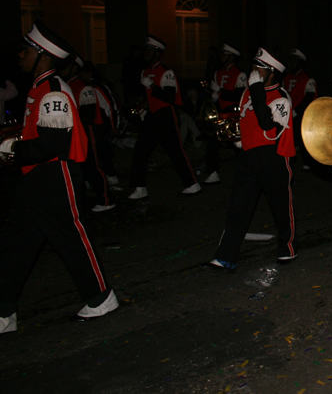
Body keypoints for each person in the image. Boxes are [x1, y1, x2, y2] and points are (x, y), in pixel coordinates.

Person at [0, 20, 118, 334]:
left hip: (56, 173)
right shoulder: (41, 86)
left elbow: (53, 142)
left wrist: (14, 148)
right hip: (37, 176)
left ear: (43, 56)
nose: (20, 56)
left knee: (70, 237)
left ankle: (101, 297)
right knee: (17, 244)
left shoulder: (53, 90)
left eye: (26, 51)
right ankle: (4, 312)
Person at [201, 48, 296, 271]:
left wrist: (255, 90)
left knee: (281, 207)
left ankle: (288, 249)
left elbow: (268, 126)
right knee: (238, 207)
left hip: (274, 157)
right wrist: (239, 138)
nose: (253, 72)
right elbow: (246, 120)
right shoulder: (248, 93)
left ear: (271, 73)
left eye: (259, 69)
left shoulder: (281, 96)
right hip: (248, 158)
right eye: (253, 68)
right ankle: (225, 256)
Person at [128, 35, 201, 199]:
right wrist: (143, 109)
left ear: (157, 53)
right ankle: (140, 187)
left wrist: (152, 86)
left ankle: (192, 184)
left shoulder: (166, 72)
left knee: (175, 151)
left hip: (166, 115)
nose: (145, 53)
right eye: (145, 50)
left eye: (149, 50)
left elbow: (169, 97)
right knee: (141, 151)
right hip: (152, 116)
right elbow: (148, 96)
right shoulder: (145, 71)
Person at [59, 55, 115, 212]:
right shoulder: (68, 86)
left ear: (74, 68)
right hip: (76, 132)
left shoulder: (83, 87)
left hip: (86, 132)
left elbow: (88, 114)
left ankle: (105, 200)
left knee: (92, 165)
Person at [203, 44, 247, 184]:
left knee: (238, 145)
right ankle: (213, 171)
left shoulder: (240, 74)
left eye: (224, 54)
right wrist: (214, 96)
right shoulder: (217, 72)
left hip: (233, 113)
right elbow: (216, 93)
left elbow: (239, 96)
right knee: (213, 142)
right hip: (220, 112)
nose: (221, 56)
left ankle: (248, 171)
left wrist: (220, 91)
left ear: (231, 56)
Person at [284, 48, 317, 169]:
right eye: (290, 60)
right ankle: (289, 160)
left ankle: (307, 162)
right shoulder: (286, 77)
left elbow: (309, 98)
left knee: (303, 138)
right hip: (288, 112)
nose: (291, 63)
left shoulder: (308, 79)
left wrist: (296, 111)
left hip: (301, 114)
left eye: (294, 60)